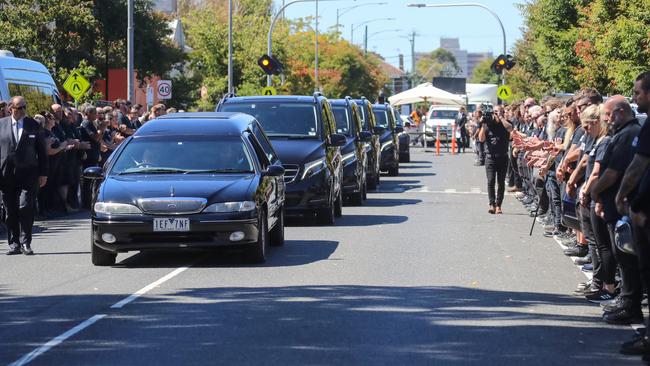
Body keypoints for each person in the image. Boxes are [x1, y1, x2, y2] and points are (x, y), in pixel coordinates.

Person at [591, 95, 643, 325]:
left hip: (623, 205)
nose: (607, 119)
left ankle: (631, 305)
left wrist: (595, 191)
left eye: (609, 114)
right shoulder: (622, 134)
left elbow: (613, 173)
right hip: (614, 204)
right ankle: (627, 300)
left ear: (621, 112)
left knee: (626, 258)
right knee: (623, 256)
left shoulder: (629, 134)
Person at [0, 96, 48, 255]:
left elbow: (42, 151)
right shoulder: (1, 125)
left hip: (28, 174)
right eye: (19, 108)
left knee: (25, 206)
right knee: (11, 210)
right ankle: (14, 244)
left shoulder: (33, 125)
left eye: (24, 107)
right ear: (10, 108)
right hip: (6, 175)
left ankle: (26, 242)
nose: (22, 111)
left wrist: (43, 173)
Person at [479, 105, 513, 214]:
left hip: (502, 157)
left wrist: (501, 118)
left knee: (501, 182)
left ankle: (499, 205)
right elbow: (481, 139)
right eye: (495, 112)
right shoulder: (488, 123)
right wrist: (483, 127)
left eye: (499, 111)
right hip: (490, 157)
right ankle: (491, 204)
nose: (496, 113)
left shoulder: (506, 123)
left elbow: (510, 129)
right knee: (490, 181)